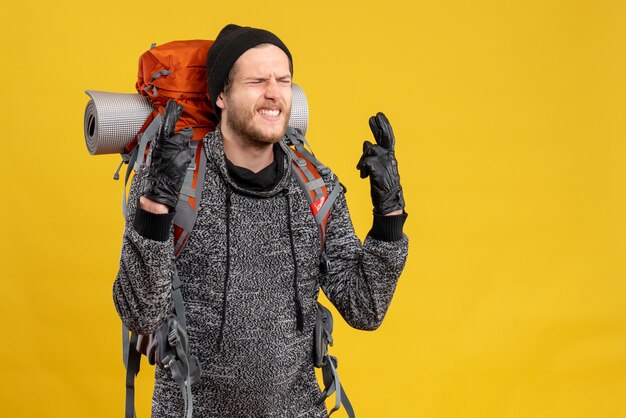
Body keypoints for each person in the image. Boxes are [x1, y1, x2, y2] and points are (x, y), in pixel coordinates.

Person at [114, 23, 409, 417]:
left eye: (283, 80)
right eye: (256, 81)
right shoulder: (171, 180)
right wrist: (153, 210)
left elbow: (365, 308)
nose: (273, 93)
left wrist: (389, 216)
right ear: (221, 95)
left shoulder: (315, 187)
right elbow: (141, 314)